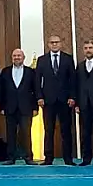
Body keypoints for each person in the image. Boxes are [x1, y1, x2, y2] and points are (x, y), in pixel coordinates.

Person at [36, 35, 76, 165]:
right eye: (52, 42)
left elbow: (72, 80)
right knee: (48, 130)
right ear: (48, 44)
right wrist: (39, 97)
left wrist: (72, 96)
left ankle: (68, 158)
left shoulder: (68, 59)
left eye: (56, 42)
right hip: (48, 101)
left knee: (66, 130)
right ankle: (48, 158)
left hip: (64, 100)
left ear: (61, 44)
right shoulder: (42, 60)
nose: (54, 44)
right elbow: (37, 81)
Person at [0, 48, 38, 165]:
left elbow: (35, 90)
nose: (17, 58)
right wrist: (2, 106)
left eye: (19, 56)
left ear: (23, 58)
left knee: (26, 133)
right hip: (10, 108)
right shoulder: (5, 71)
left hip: (26, 108)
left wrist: (35, 107)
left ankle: (28, 157)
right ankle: (11, 157)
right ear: (12, 58)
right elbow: (1, 90)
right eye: (14, 56)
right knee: (10, 133)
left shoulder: (30, 72)